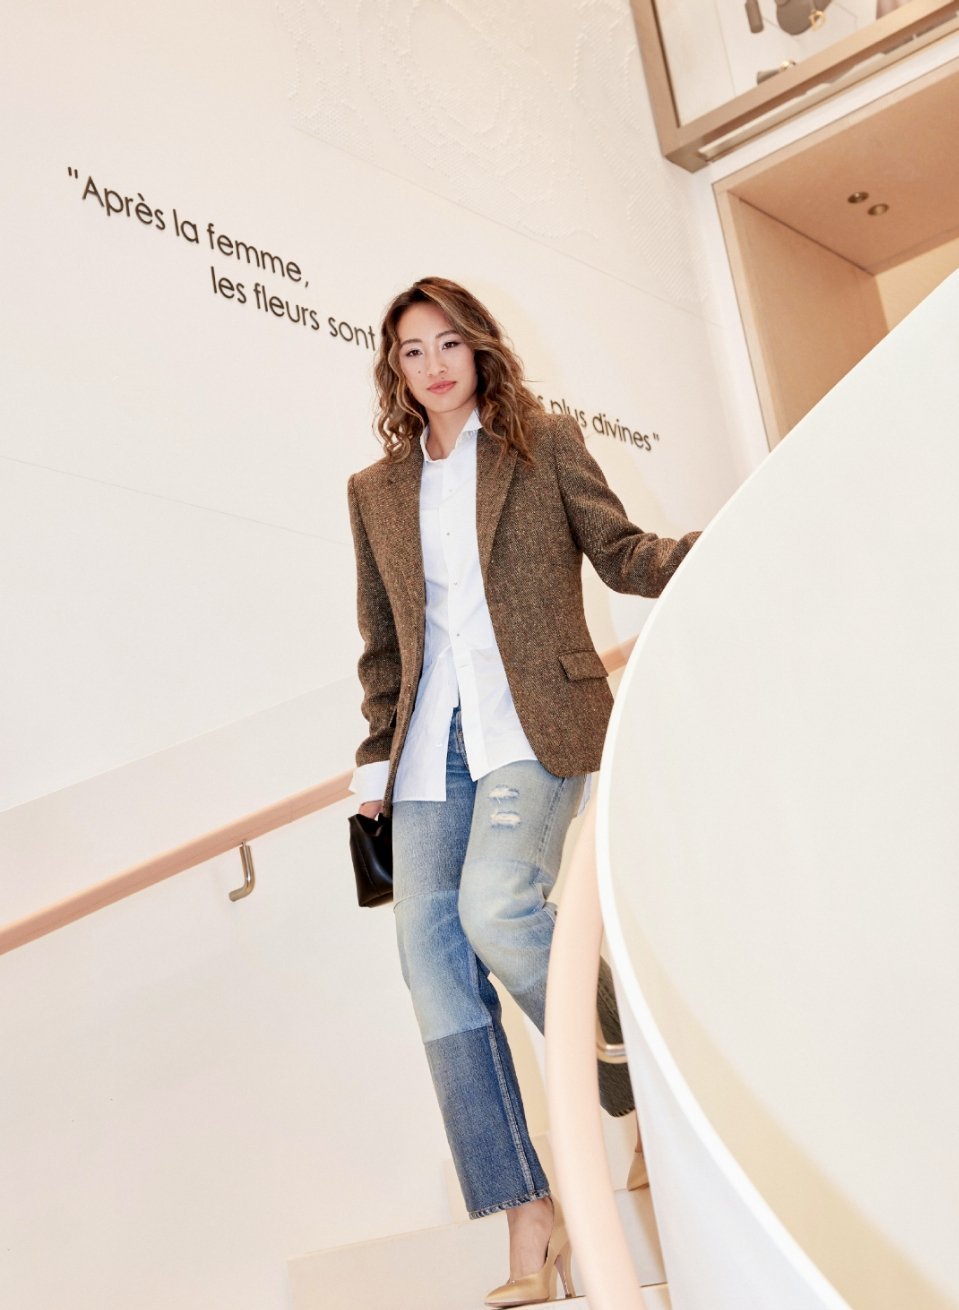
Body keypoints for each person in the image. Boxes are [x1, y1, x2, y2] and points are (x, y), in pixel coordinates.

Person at [347, 276, 699, 1307]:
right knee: (431, 967)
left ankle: (632, 1057)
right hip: (427, 751)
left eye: (447, 342)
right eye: (411, 350)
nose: (432, 365)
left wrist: (714, 547)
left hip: (531, 725)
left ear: (480, 347)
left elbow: (621, 553)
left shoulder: (541, 443)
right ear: (394, 369)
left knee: (497, 907)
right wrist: (374, 763)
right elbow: (383, 642)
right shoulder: (374, 490)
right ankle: (525, 1212)